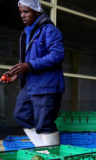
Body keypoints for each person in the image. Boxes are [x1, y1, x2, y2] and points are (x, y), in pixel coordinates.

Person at [0, 0, 65, 147]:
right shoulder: (26, 33)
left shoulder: (49, 30)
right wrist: (17, 73)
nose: (22, 15)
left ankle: (50, 158)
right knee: (21, 115)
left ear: (37, 12)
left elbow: (58, 55)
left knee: (44, 123)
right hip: (30, 85)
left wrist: (29, 66)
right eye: (21, 12)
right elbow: (27, 62)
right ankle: (42, 149)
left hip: (47, 86)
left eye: (26, 12)